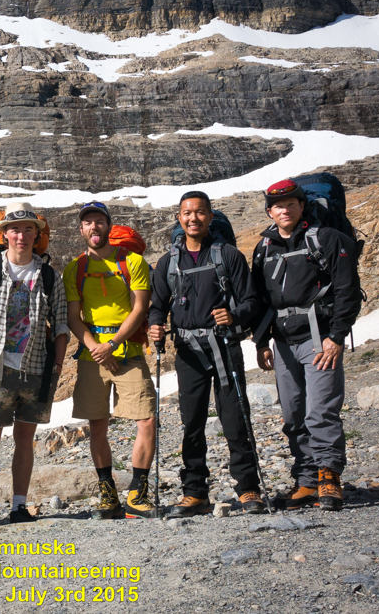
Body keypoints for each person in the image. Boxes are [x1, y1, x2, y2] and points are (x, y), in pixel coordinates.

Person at [149, 191, 266, 517]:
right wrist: (155, 326)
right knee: (192, 422)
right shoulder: (168, 263)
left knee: (235, 417)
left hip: (224, 346)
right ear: (179, 217)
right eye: (187, 213)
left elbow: (251, 301)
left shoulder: (227, 255)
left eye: (200, 212)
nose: (193, 218)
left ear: (210, 217)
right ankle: (195, 492)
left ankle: (248, 488)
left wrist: (234, 316)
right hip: (188, 352)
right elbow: (157, 306)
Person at [252, 180, 362, 511]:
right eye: (277, 205)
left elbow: (347, 290)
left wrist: (337, 336)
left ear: (302, 206)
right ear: (270, 211)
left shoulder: (325, 239)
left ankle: (329, 478)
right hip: (283, 341)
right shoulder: (264, 248)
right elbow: (259, 298)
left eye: (290, 203)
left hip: (320, 338)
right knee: (293, 414)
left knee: (321, 411)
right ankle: (306, 481)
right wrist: (261, 341)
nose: (284, 209)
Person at [0, 202, 69, 528]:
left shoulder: (50, 276)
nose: (20, 235)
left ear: (36, 234)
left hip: (37, 370)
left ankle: (18, 507)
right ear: (3, 233)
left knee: (25, 439)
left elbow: (61, 324)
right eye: (14, 229)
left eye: (27, 229)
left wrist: (59, 364)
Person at [64, 201, 157, 519]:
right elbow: (73, 317)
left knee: (146, 419)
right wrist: (95, 348)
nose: (93, 227)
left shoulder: (133, 262)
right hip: (93, 356)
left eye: (99, 221)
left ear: (107, 225)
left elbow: (140, 308)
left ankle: (137, 494)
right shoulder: (74, 268)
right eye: (87, 222)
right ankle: (108, 495)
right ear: (81, 229)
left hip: (128, 351)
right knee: (97, 423)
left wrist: (112, 344)